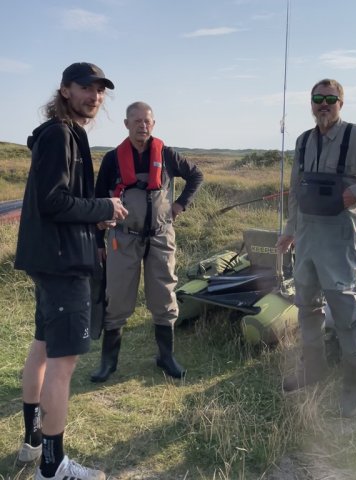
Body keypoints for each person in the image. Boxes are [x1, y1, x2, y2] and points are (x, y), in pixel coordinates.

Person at [14, 63, 128, 479]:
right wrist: (104, 207)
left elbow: (57, 205)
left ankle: (31, 445)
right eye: (85, 88)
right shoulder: (61, 134)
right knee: (62, 365)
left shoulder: (57, 134)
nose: (94, 96)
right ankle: (53, 466)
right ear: (64, 90)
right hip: (64, 264)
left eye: (99, 90)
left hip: (50, 259)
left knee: (42, 348)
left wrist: (92, 219)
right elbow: (53, 201)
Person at [276, 78, 356, 417]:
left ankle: (354, 384)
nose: (323, 104)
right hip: (307, 240)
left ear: (341, 103)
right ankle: (313, 369)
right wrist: (289, 230)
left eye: (331, 98)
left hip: (340, 240)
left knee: (346, 315)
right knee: (307, 308)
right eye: (318, 98)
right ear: (311, 103)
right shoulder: (302, 141)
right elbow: (296, 192)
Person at [90, 101, 203, 383]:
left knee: (165, 297)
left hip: (161, 237)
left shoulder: (166, 155)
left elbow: (196, 176)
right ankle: (109, 363)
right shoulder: (113, 158)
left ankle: (166, 358)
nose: (143, 125)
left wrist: (180, 205)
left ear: (153, 124)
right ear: (126, 124)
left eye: (147, 121)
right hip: (123, 238)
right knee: (116, 298)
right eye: (137, 121)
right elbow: (97, 200)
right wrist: (98, 241)